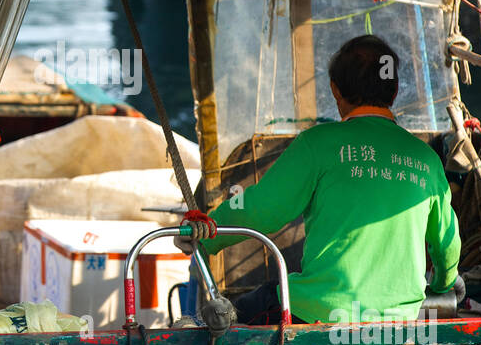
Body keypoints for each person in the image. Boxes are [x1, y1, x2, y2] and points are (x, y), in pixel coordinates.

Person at [179, 34, 462, 325]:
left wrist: (207, 234)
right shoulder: (425, 159)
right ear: (394, 91)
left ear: (335, 91)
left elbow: (261, 210)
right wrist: (443, 284)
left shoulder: (318, 144)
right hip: (400, 317)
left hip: (319, 313)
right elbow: (448, 244)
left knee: (235, 316)